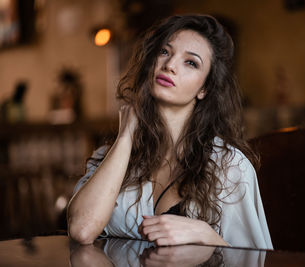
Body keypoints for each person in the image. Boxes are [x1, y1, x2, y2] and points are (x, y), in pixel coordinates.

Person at [67, 14, 273, 249]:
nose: (170, 65)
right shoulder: (112, 155)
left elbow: (255, 261)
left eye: (191, 63)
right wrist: (125, 138)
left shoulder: (229, 167)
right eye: (165, 52)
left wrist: (206, 235)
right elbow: (81, 230)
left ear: (204, 88)